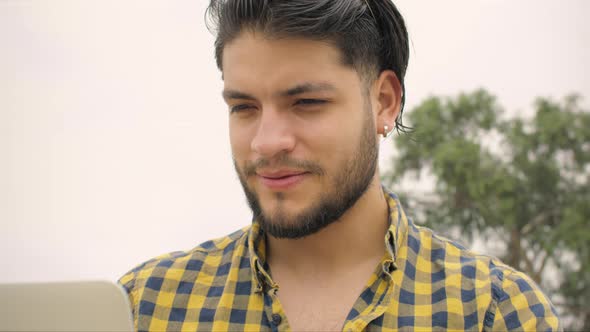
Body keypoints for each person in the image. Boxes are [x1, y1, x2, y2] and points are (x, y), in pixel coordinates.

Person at [119, 0, 561, 331]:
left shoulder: (495, 312)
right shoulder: (144, 308)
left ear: (384, 102)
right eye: (244, 107)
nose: (266, 142)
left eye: (307, 102)